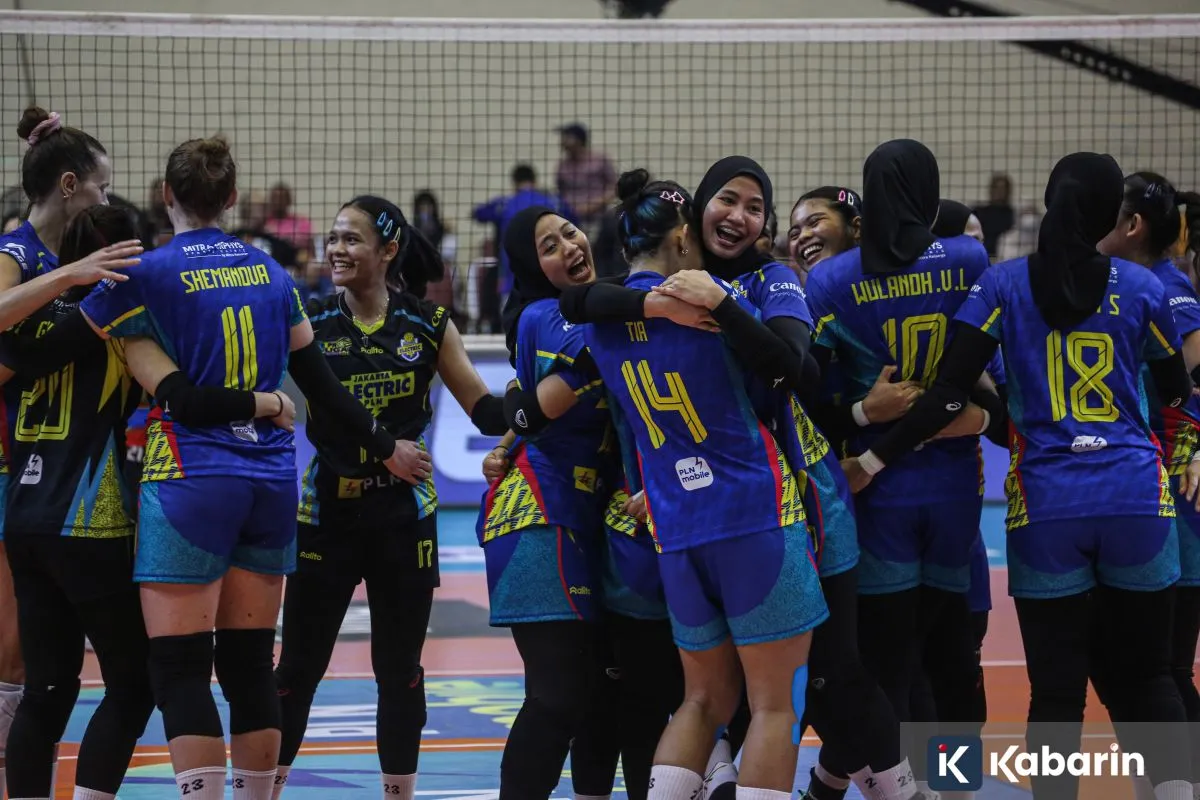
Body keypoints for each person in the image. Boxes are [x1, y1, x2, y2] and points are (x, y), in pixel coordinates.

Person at [59, 135, 412, 800]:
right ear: (230, 198)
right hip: (271, 480)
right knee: (250, 664)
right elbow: (322, 383)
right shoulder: (273, 273)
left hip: (192, 479)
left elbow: (64, 340)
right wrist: (383, 442)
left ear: (167, 195)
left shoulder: (146, 273)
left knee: (180, 668)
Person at [847, 152, 1196, 800]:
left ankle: (933, 784)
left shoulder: (1000, 284)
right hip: (1132, 498)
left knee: (1036, 689)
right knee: (1147, 676)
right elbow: (1177, 391)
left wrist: (871, 456)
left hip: (1037, 507)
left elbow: (948, 392)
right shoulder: (1142, 287)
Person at [0, 203, 298, 800]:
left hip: (24, 515)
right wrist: (266, 402)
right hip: (90, 517)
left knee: (46, 689)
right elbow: (183, 395)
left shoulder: (25, 328)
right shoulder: (121, 324)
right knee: (136, 684)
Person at [585, 170, 827, 800]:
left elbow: (581, 305)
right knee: (777, 705)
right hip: (752, 513)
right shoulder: (710, 306)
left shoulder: (600, 323)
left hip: (676, 525)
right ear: (683, 238)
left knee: (701, 701)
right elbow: (788, 370)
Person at [272, 195, 506, 800]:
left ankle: (397, 793)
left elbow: (485, 410)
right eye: (332, 238)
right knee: (296, 671)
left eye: (351, 239)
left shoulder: (427, 323)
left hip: (403, 519)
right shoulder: (310, 320)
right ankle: (264, 789)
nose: (336, 250)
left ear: (388, 251)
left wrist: (552, 394)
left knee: (399, 673)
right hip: (326, 513)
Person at [804, 140, 1003, 796]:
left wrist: (864, 417)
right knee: (951, 657)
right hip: (954, 487)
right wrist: (974, 416)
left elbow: (812, 393)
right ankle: (953, 787)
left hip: (877, 492)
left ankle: (891, 786)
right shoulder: (969, 258)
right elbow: (989, 386)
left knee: (888, 662)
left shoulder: (830, 281)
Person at [0, 105, 142, 796]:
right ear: (67, 184)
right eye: (101, 186)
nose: (105, 196)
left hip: (29, 495)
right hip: (73, 501)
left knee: (45, 682)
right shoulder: (21, 253)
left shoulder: (70, 273)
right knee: (124, 681)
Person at [476, 204, 615, 800]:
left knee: (604, 690)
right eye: (549, 246)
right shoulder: (548, 316)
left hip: (595, 516)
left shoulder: (606, 306)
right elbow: (541, 407)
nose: (569, 246)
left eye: (570, 232)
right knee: (558, 695)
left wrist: (503, 441)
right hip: (540, 512)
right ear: (533, 270)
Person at [1096, 173, 1200, 800]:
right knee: (1139, 669)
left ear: (1132, 225)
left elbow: (1191, 384)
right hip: (1141, 498)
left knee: (1162, 669)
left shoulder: (1166, 289)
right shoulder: (1123, 285)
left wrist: (1198, 447)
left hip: (1177, 501)